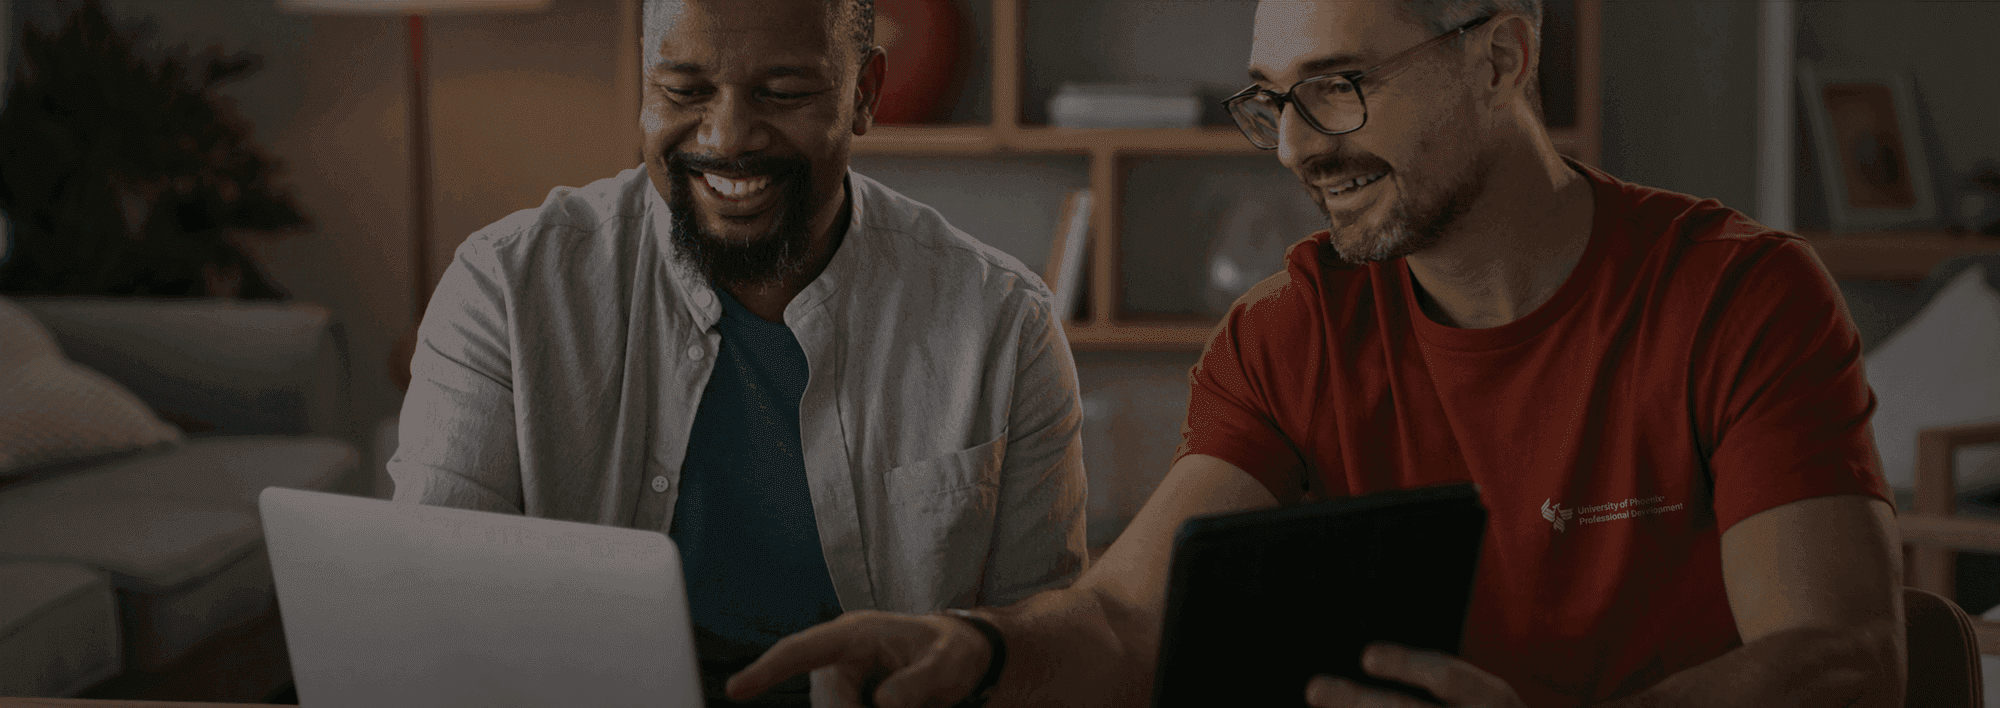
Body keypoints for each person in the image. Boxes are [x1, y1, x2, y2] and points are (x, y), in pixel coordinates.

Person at [724, 1, 1906, 706]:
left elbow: (1839, 661)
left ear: (1498, 57)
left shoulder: (1736, 296)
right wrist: (972, 649)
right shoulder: (1289, 333)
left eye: (1337, 89)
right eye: (1268, 102)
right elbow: (1131, 622)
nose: (1292, 149)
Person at [387, 0, 1089, 704]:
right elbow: (434, 609)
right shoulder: (505, 289)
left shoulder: (1002, 322)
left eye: (782, 94)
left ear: (863, 95)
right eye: (684, 91)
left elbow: (1042, 641)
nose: (726, 136)